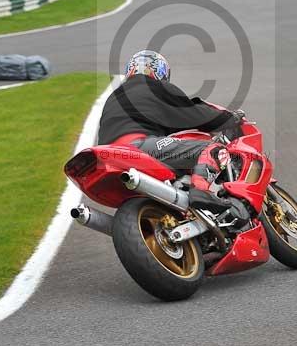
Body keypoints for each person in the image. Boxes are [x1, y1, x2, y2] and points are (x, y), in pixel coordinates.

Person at [98, 50, 248, 222]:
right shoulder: (153, 86)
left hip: (109, 159)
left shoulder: (114, 97)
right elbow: (193, 114)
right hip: (137, 146)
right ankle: (201, 191)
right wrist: (230, 118)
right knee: (212, 149)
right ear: (160, 71)